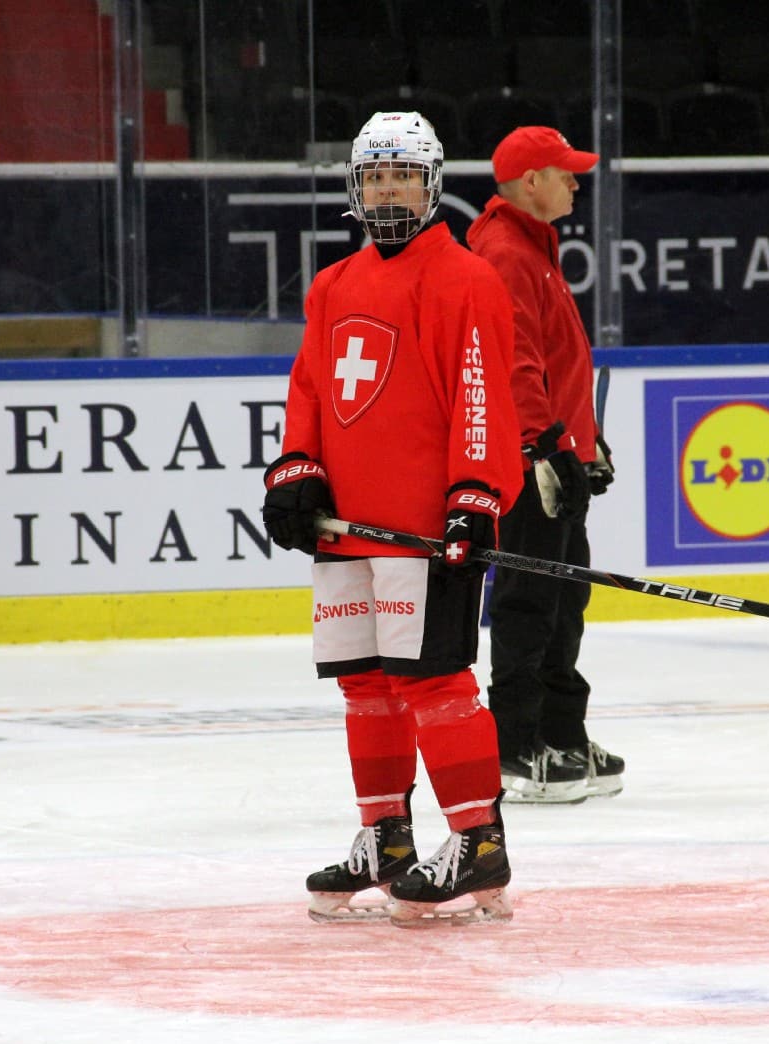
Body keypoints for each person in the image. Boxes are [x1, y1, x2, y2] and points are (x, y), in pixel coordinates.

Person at [261, 111, 524, 925]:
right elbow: (310, 389)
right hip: (347, 530)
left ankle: (478, 840)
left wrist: (474, 495)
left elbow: (481, 393)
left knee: (435, 683)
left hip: (424, 531)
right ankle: (386, 837)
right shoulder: (332, 286)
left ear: (431, 183)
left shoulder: (466, 278)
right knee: (366, 686)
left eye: (402, 174)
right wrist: (297, 470)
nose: (386, 190)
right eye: (374, 175)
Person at [467, 126, 625, 804]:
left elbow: (558, 363)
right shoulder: (506, 254)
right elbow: (514, 365)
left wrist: (586, 442)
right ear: (530, 182)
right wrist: (543, 447)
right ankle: (514, 747)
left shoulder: (534, 248)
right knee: (530, 603)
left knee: (564, 602)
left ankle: (560, 732)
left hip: (557, 453)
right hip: (530, 463)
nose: (575, 183)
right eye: (564, 173)